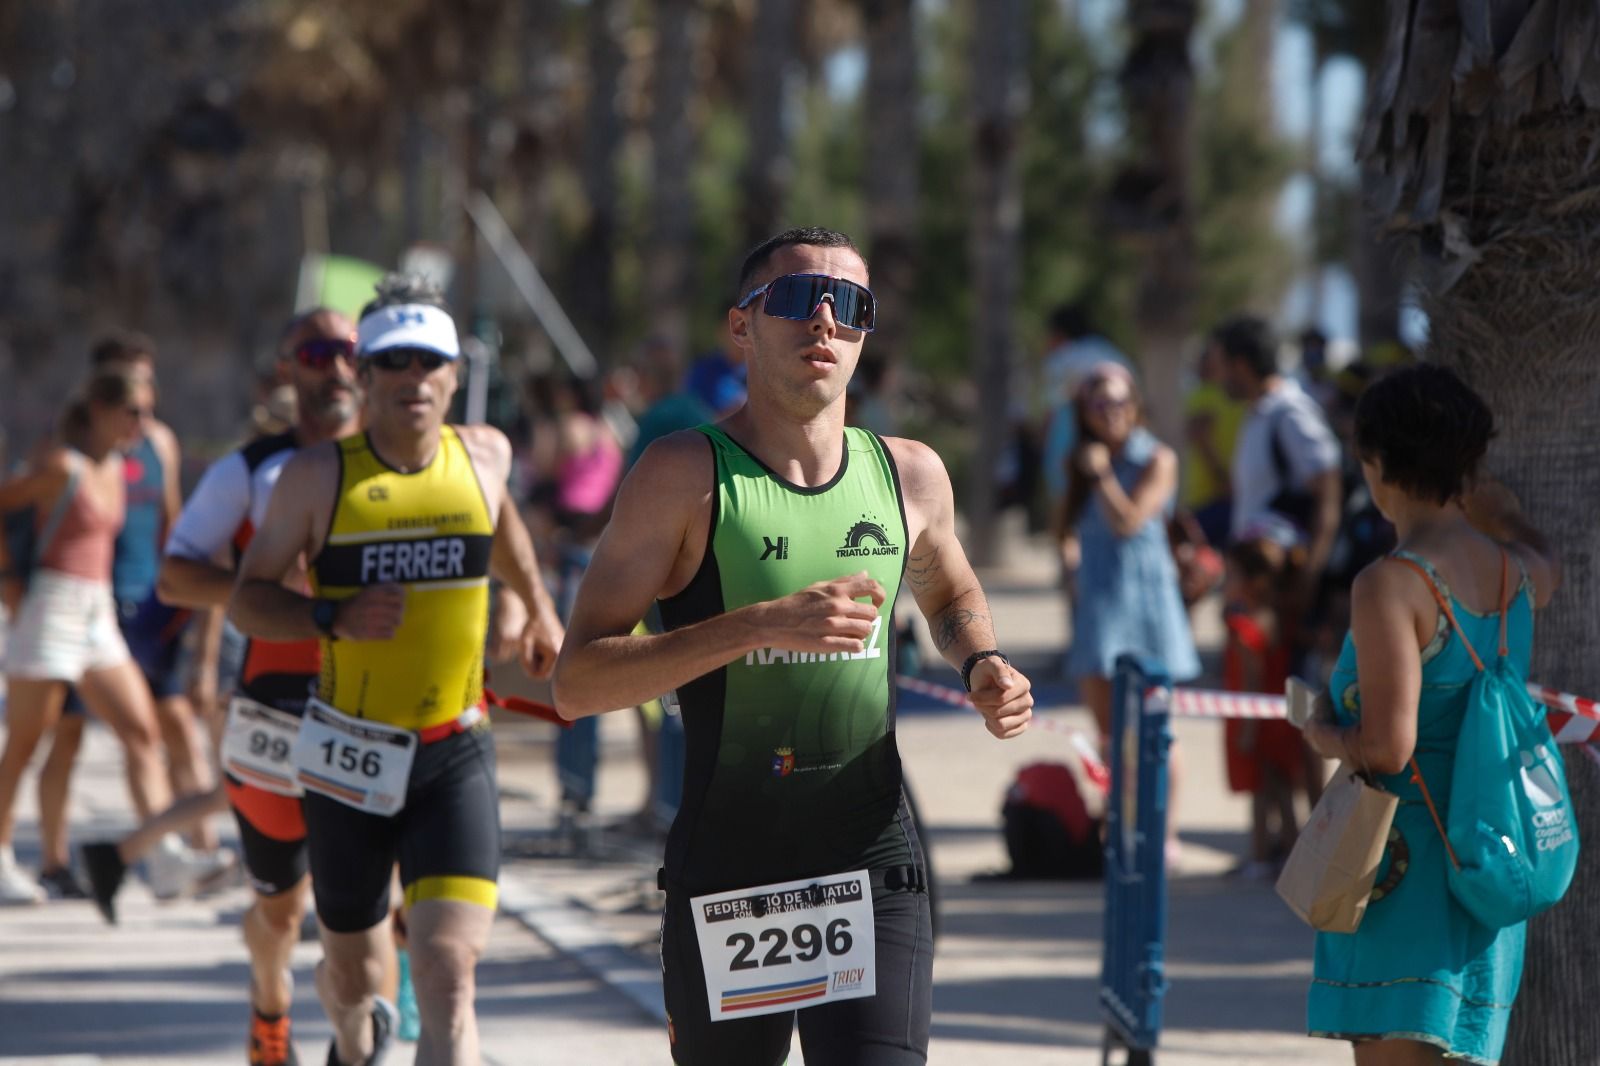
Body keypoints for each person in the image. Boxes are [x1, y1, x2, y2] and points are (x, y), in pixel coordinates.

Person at [552, 226, 1034, 1065]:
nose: (823, 319)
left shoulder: (910, 474)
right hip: (730, 866)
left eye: (849, 305)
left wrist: (982, 663)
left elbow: (948, 587)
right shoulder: (684, 475)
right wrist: (758, 624)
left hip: (872, 861)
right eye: (795, 298)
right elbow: (578, 682)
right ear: (742, 327)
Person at [230, 274, 563, 1066]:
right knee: (355, 982)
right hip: (350, 754)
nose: (413, 379)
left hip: (455, 747)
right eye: (394, 362)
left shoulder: (484, 455)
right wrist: (328, 616)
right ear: (363, 375)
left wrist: (536, 606)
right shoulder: (315, 479)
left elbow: (505, 528)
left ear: (453, 373)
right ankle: (351, 1033)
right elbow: (246, 599)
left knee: (447, 969)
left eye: (429, 362)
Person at [79, 308, 365, 1064]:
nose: (334, 366)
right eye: (316, 351)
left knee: (369, 907)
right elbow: (177, 574)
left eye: (348, 351)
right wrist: (277, 594)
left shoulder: (405, 462)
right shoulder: (253, 469)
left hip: (378, 710)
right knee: (279, 912)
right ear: (289, 368)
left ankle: (359, 1032)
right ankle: (271, 1016)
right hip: (276, 700)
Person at [1302, 363, 1558, 1065]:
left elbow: (1386, 746)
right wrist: (1500, 515)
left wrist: (1322, 730)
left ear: (1376, 464)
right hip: (1481, 857)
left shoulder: (1391, 584)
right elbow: (1546, 560)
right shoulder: (1515, 572)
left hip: (1405, 865)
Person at [0, 364, 178, 904]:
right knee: (26, 742)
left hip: (96, 609)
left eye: (150, 412)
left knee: (142, 729)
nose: (143, 424)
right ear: (101, 410)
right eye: (134, 412)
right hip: (52, 604)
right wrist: (9, 580)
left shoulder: (120, 464)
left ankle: (165, 857)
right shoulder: (60, 464)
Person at [1056, 364, 1200, 736]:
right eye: (1100, 404)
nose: (1111, 412)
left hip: (1145, 601)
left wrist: (1102, 475)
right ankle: (1112, 796)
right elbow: (1064, 526)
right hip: (1098, 603)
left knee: (1154, 729)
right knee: (1106, 727)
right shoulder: (1079, 461)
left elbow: (1128, 522)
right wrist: (1070, 566)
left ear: (1135, 405)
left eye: (1120, 402)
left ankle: (1157, 798)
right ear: (1085, 412)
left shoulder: (1156, 459)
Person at [1213, 315, 1342, 659]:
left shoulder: (1290, 414)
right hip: (1258, 596)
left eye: (1221, 365)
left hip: (1286, 601)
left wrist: (1307, 582)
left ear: (1240, 365)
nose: (1218, 376)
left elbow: (1329, 495)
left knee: (1291, 705)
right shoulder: (1258, 413)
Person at [1220, 521, 1318, 879]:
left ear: (1252, 582)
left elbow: (1251, 683)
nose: (1225, 584)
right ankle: (1287, 853)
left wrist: (1246, 730)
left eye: (1230, 575)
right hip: (1280, 719)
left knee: (1265, 794)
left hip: (1259, 723)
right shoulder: (1277, 617)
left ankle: (1263, 855)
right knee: (1279, 792)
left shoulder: (1246, 629)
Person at [1181, 338, 1246, 548]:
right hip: (1210, 496)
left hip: (1230, 495)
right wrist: (1222, 479)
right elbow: (1199, 437)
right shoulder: (1204, 394)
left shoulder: (1232, 394)